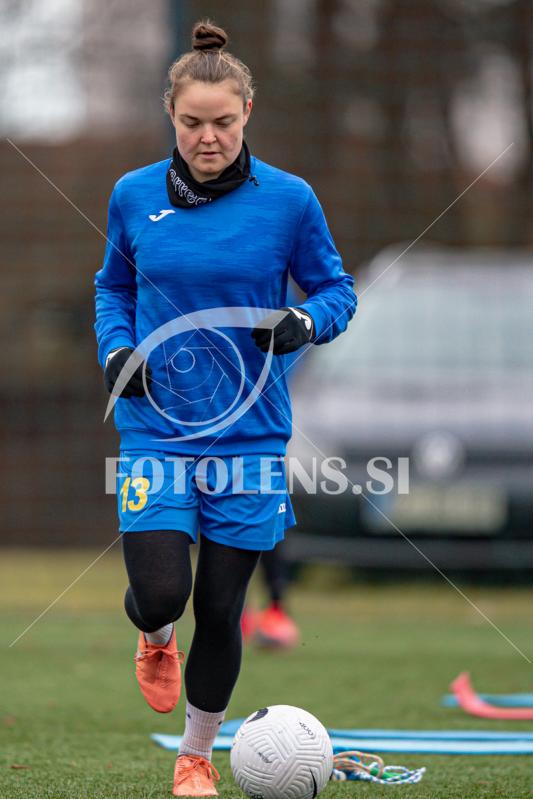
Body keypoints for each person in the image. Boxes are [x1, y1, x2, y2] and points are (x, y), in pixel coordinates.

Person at [94, 19, 356, 798]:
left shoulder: (290, 201)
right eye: (191, 122)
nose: (207, 138)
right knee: (163, 593)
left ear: (247, 112)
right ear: (170, 115)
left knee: (220, 605)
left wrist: (305, 319)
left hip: (250, 434)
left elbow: (336, 290)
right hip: (156, 430)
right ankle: (153, 634)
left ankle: (195, 756)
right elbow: (112, 287)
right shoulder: (133, 195)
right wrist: (116, 351)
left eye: (222, 122)